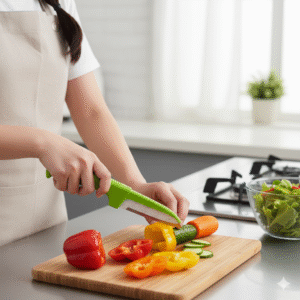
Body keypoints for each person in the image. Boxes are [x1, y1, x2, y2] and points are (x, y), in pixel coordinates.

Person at [0, 0, 190, 247]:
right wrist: (42, 142)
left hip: (44, 224)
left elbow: (91, 112)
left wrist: (136, 187)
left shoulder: (57, 3)